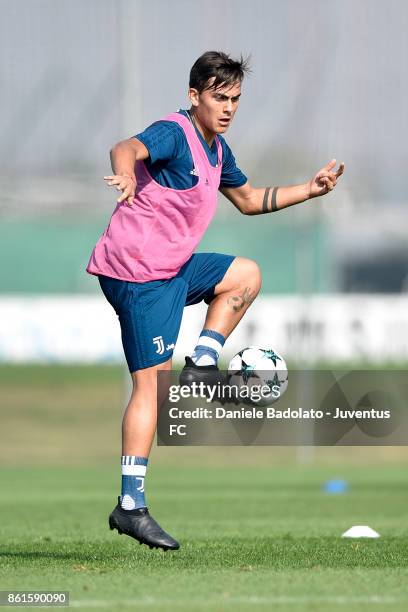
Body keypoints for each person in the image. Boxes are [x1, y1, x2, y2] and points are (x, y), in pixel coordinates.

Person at [86, 51, 344, 551]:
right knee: (151, 390)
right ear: (194, 96)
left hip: (172, 269)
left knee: (245, 275)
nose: (227, 108)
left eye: (235, 99)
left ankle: (202, 363)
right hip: (137, 276)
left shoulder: (218, 150)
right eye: (218, 97)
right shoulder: (173, 131)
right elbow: (126, 147)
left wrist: (310, 190)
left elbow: (249, 201)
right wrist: (123, 175)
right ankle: (131, 506)